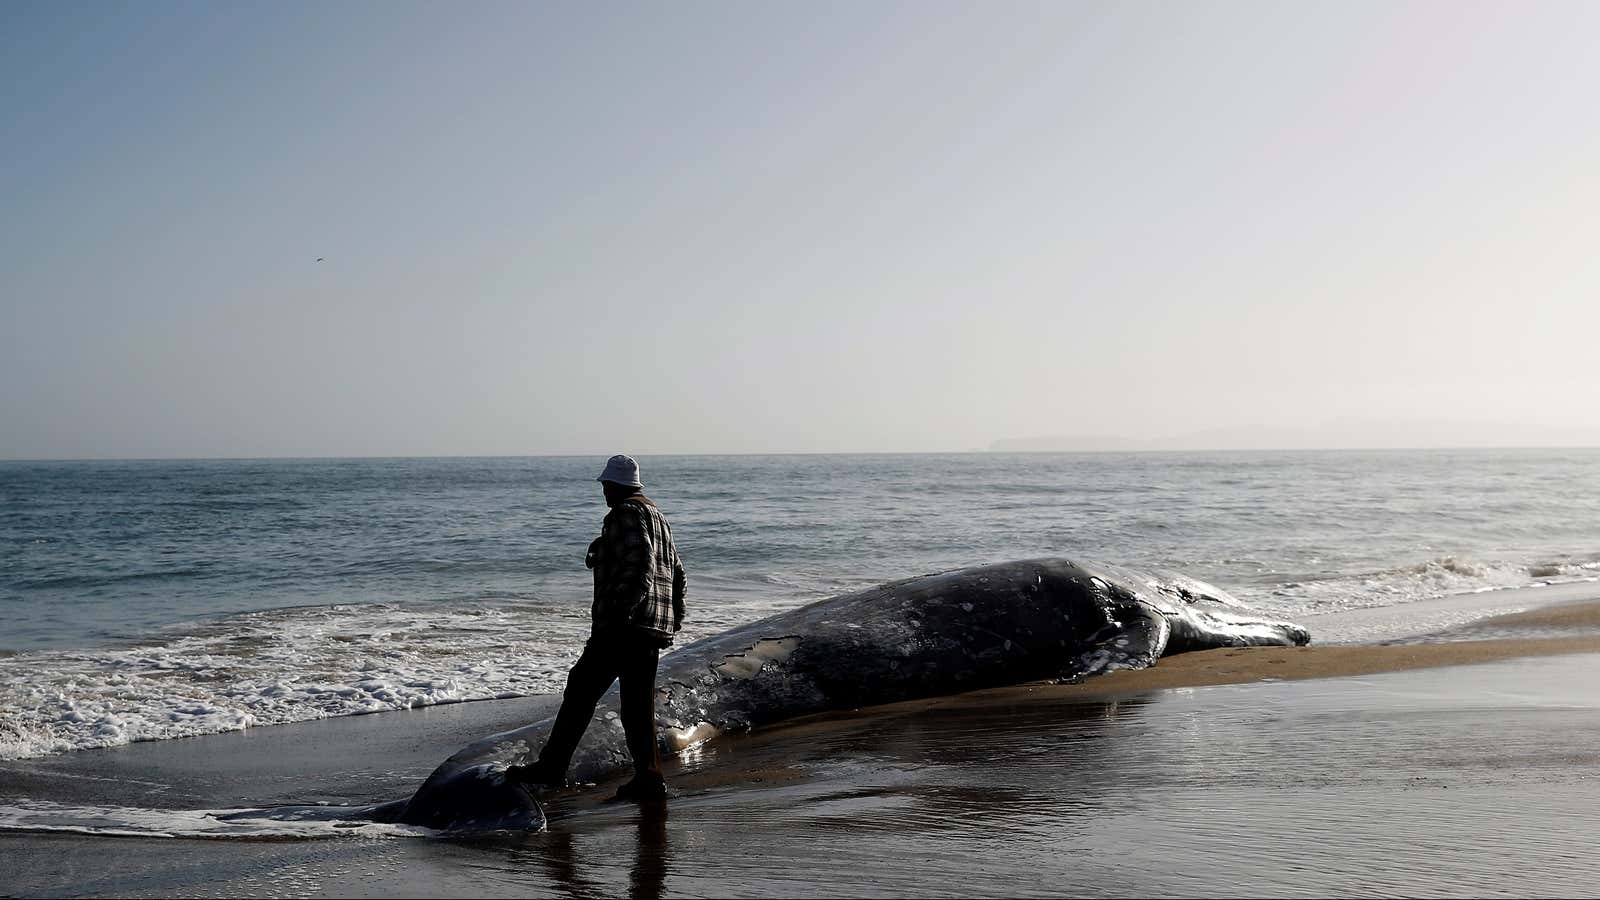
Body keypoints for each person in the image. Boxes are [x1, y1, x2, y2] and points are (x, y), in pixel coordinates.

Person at [508, 454, 687, 802]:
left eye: (606, 486)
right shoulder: (658, 516)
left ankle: (553, 767)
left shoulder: (624, 513)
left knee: (580, 690)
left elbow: (640, 566)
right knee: (637, 706)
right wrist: (672, 620)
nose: (604, 492)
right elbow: (677, 573)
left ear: (615, 486)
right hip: (651, 626)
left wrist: (619, 615)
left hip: (625, 626)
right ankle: (649, 779)